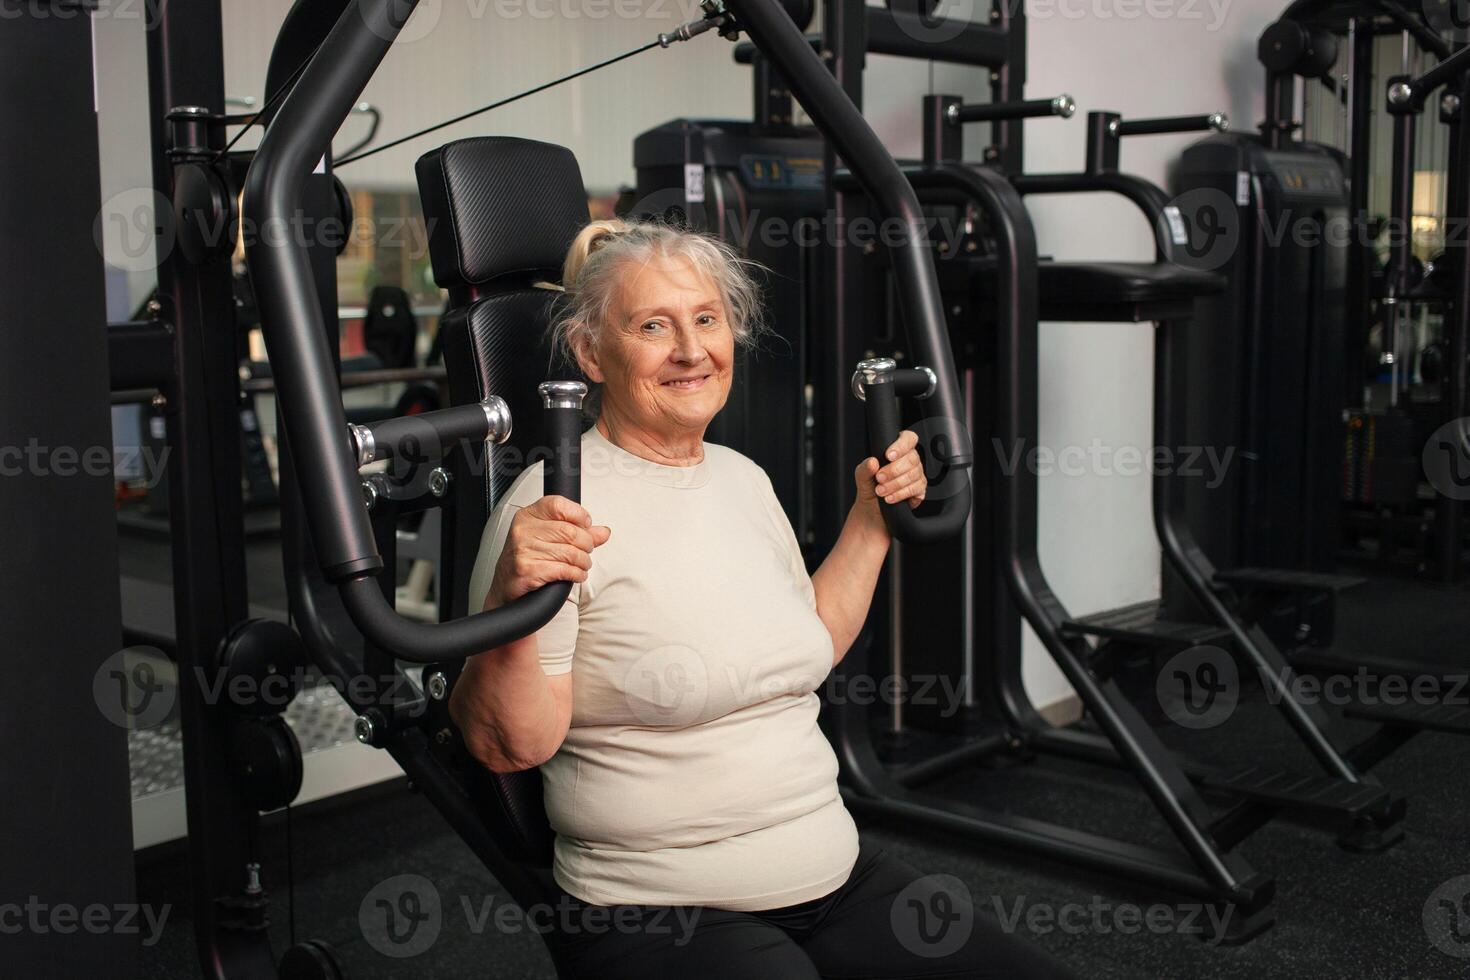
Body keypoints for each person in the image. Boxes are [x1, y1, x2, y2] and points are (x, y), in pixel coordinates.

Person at [451, 219, 1076, 979]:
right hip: (660, 909)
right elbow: (509, 746)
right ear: (591, 354)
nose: (691, 350)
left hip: (835, 876)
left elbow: (804, 643)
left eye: (707, 320)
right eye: (654, 325)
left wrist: (872, 518)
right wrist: (511, 605)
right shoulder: (553, 509)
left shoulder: (742, 478)